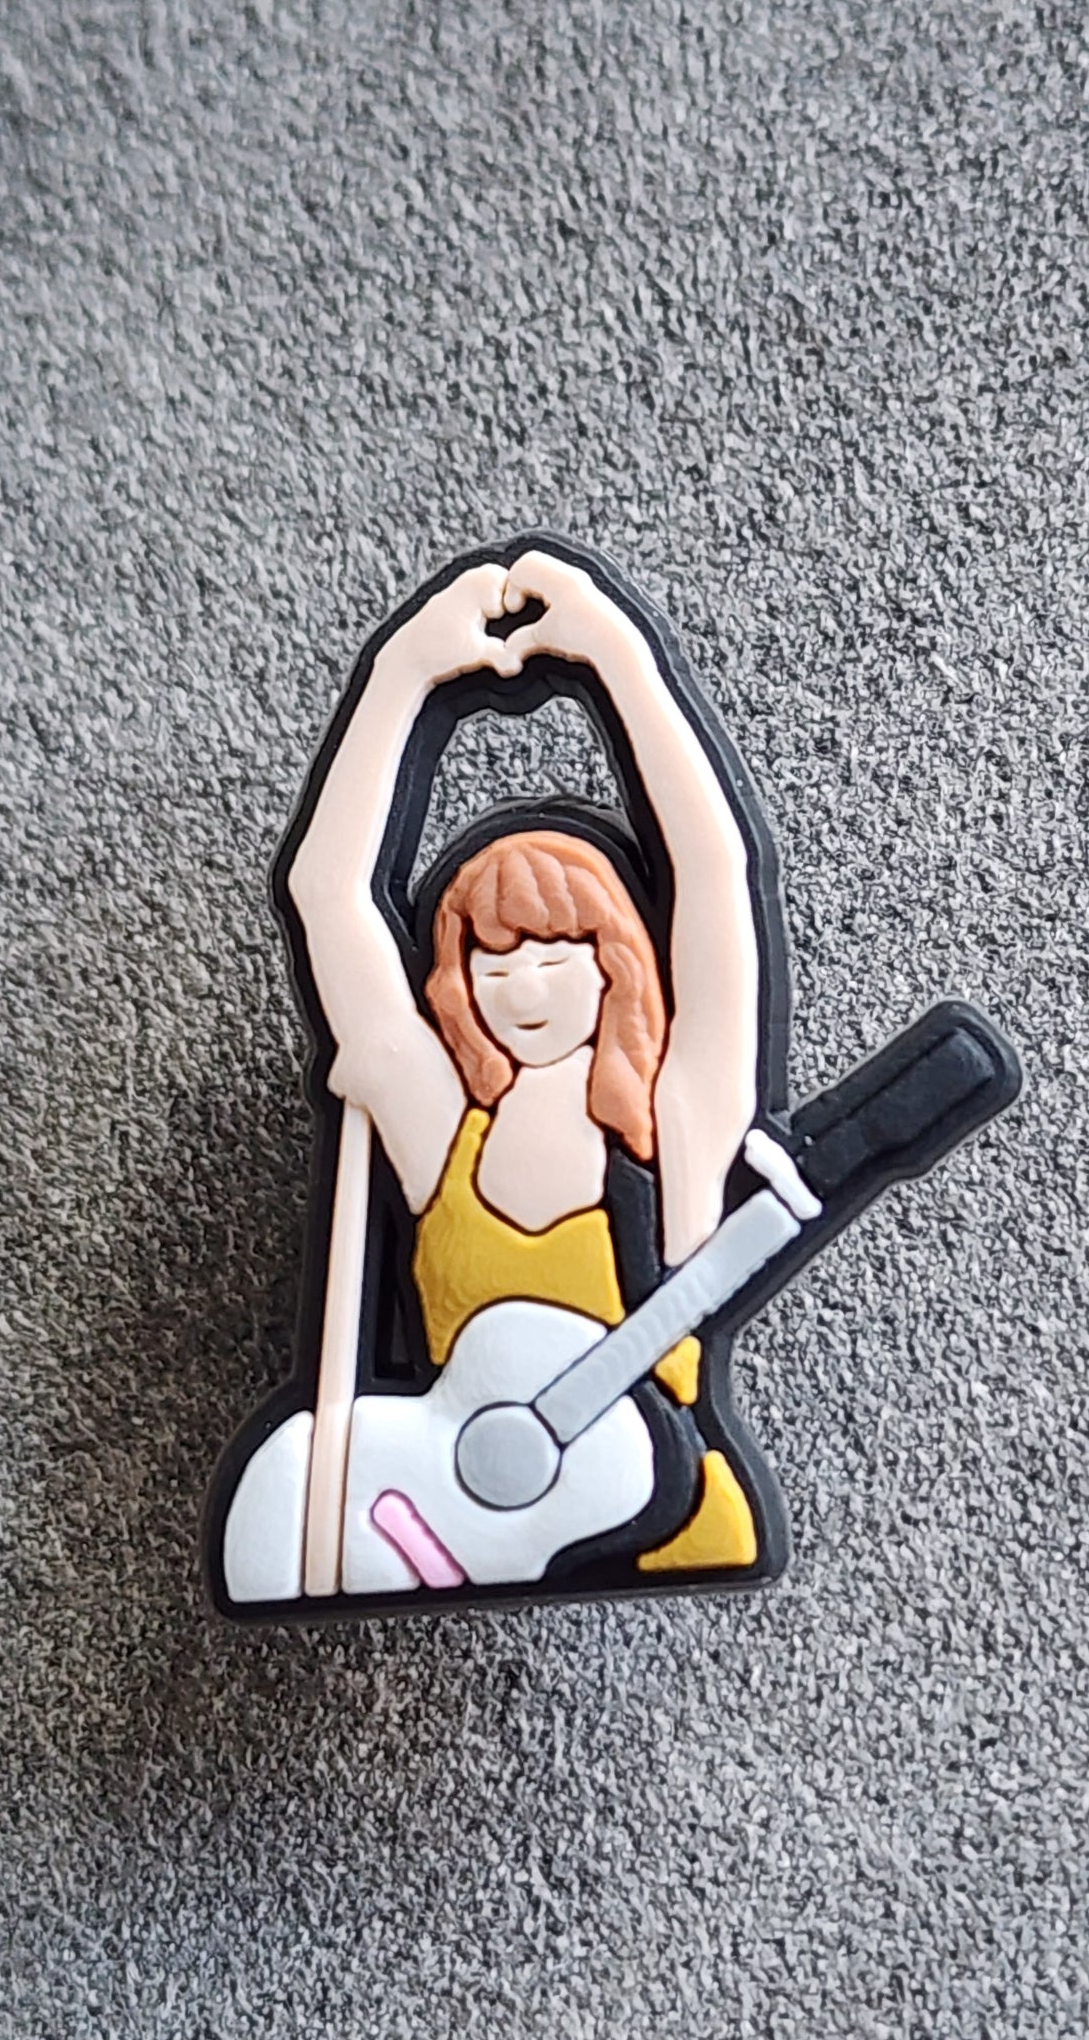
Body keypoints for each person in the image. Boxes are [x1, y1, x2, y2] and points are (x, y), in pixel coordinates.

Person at [283, 547, 766, 1581]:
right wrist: (401, 672)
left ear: (615, 966)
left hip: (666, 1534)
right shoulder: (437, 1133)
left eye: (557, 955)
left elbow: (713, 873)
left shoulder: (672, 1133)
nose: (525, 989)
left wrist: (620, 661)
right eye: (493, 961)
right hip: (460, 1541)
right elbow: (327, 893)